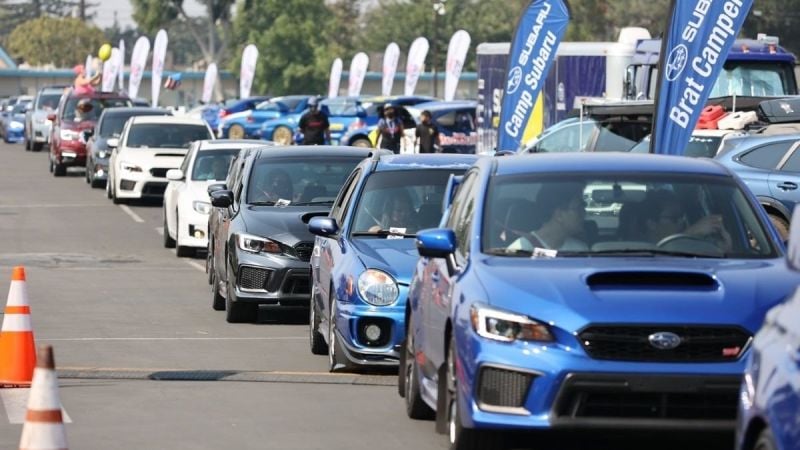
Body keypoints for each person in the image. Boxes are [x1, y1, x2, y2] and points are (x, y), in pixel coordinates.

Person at [507, 183, 589, 252]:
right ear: (559, 215)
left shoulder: (580, 249)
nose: (584, 213)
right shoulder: (519, 251)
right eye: (578, 208)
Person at [641, 189, 732, 249]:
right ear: (651, 224)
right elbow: (659, 257)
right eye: (674, 218)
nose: (681, 222)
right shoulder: (635, 252)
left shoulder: (693, 249)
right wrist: (691, 233)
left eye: (682, 217)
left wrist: (723, 250)